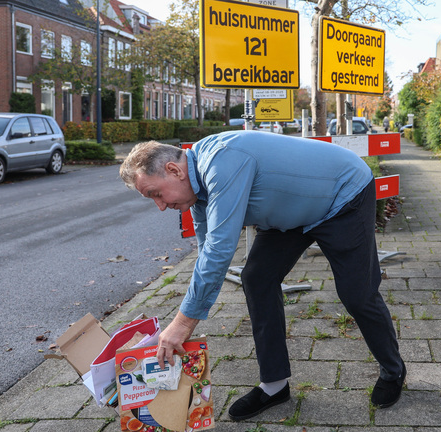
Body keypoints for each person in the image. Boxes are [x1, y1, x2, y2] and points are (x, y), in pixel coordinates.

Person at [119, 130, 406, 420]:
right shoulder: (198, 193)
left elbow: (219, 250)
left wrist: (182, 324)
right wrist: (187, 316)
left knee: (357, 294)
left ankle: (393, 371)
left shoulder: (222, 162)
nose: (160, 206)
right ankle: (274, 385)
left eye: (156, 194)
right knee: (257, 278)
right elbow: (208, 254)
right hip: (290, 213)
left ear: (174, 170)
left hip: (342, 196)